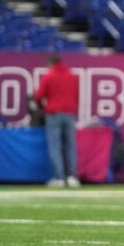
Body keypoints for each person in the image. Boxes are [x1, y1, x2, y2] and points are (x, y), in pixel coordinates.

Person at [33, 55, 80, 188]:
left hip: (53, 114)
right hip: (69, 114)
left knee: (55, 146)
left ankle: (59, 177)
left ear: (50, 63)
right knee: (70, 145)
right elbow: (76, 96)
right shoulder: (71, 76)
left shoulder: (49, 76)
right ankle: (72, 177)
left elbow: (39, 96)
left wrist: (42, 108)